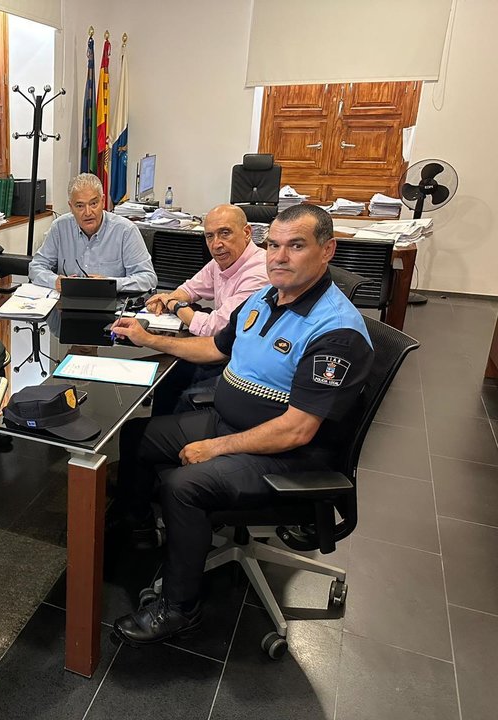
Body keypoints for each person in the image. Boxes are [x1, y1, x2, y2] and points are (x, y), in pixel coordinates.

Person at [108, 204, 374, 647]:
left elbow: (297, 431)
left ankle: (180, 608)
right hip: (230, 420)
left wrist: (216, 448)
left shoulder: (336, 332)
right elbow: (215, 348)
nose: (279, 257)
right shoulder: (266, 296)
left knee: (183, 485)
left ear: (327, 250)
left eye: (295, 246)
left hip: (286, 455)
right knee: (138, 436)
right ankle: (136, 526)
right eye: (273, 246)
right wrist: (149, 338)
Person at [143, 204, 269, 416]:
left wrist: (174, 305)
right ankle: (158, 439)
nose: (216, 244)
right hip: (220, 352)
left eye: (225, 233)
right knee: (165, 378)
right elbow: (189, 288)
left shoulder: (257, 273)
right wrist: (169, 299)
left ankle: (175, 438)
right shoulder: (223, 260)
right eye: (209, 236)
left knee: (182, 393)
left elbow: (215, 328)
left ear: (247, 233)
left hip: (243, 367)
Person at [28, 173, 156, 293]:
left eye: (93, 203)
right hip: (68, 307)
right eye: (80, 206)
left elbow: (148, 278)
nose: (88, 212)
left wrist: (111, 284)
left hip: (112, 307)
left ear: (103, 201)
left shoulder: (125, 231)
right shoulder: (60, 227)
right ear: (71, 207)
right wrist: (55, 281)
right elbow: (35, 267)